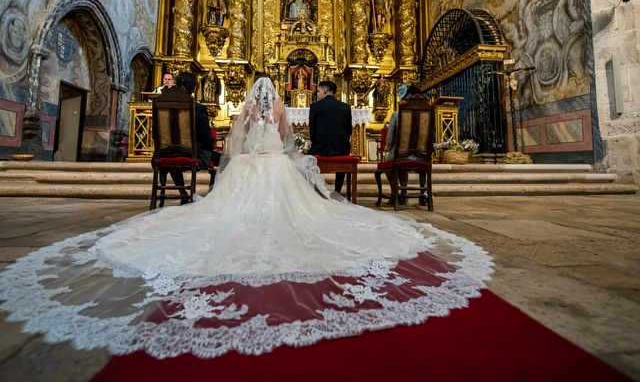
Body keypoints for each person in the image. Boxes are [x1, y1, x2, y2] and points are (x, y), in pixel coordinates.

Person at [0, 77, 492, 361]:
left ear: (251, 97)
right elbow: (286, 142)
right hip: (275, 167)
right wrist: (293, 157)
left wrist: (260, 146)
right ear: (274, 94)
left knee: (219, 210)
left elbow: (240, 142)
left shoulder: (245, 110)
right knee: (307, 210)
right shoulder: (280, 107)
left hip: (247, 170)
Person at [164, 72, 214, 203]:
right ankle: (213, 198)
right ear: (193, 89)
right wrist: (210, 147)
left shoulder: (163, 106)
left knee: (174, 152)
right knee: (225, 160)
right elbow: (206, 137)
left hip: (166, 153)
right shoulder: (198, 108)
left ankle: (183, 192)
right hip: (193, 154)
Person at [309, 80, 352, 193]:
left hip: (320, 148)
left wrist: (316, 144)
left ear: (325, 90)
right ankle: (337, 190)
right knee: (345, 149)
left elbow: (312, 131)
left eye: (318, 91)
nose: (317, 94)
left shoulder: (315, 106)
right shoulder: (345, 107)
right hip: (341, 149)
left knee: (306, 160)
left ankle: (314, 191)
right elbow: (348, 131)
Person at [384, 84, 417, 203]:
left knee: (388, 163)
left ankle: (395, 193)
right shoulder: (426, 113)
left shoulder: (397, 115)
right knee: (403, 165)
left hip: (400, 154)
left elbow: (389, 139)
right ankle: (403, 192)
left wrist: (389, 148)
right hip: (420, 156)